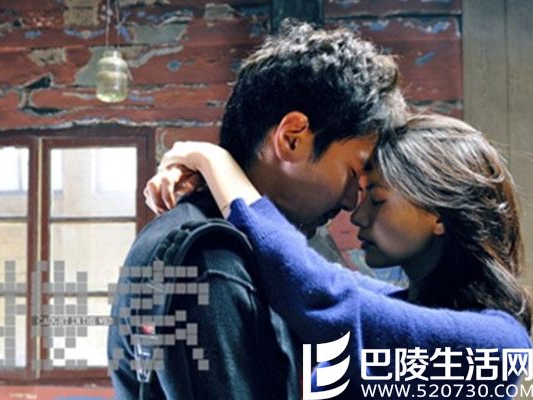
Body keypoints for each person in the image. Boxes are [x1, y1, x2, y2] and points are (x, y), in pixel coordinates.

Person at [109, 20, 407, 399]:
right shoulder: (211, 258)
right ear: (292, 139)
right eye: (353, 173)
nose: (351, 202)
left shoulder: (263, 249)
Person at [147, 114, 532, 399]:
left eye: (377, 200)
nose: (357, 215)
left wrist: (214, 161)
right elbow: (314, 276)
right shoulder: (400, 305)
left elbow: (320, 292)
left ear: (438, 214)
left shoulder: (499, 344)